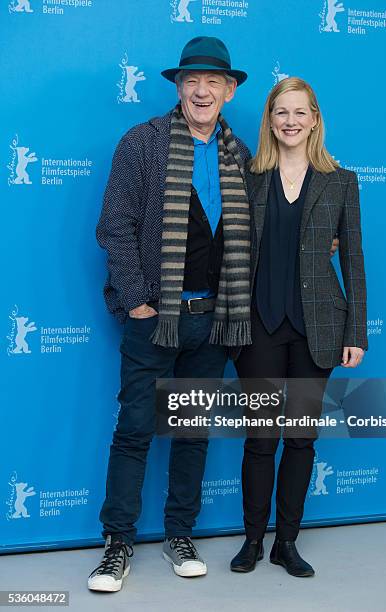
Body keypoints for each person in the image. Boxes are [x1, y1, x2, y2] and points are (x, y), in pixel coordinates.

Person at [88, 36, 252, 591]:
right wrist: (138, 302)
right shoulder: (143, 143)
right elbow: (115, 226)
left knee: (190, 432)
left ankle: (180, 532)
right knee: (135, 428)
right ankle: (117, 544)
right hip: (154, 319)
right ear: (178, 87)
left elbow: (257, 233)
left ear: (229, 91)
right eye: (191, 81)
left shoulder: (239, 155)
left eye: (213, 82)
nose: (201, 91)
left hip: (213, 321)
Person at [230, 77, 367, 576]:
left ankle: (286, 543)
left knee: (301, 439)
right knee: (261, 439)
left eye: (300, 112)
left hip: (319, 329)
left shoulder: (341, 181)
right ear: (270, 119)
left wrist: (356, 331)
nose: (290, 121)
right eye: (281, 112)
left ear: (314, 119)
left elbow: (354, 258)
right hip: (258, 326)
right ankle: (251, 541)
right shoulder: (247, 176)